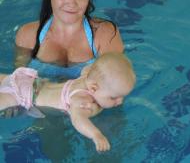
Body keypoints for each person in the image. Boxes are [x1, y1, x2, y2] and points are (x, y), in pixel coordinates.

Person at [0, 53, 136, 152]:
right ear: (93, 88)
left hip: (31, 81)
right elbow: (78, 120)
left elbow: (92, 67)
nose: (120, 102)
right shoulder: (83, 101)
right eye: (114, 98)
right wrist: (96, 135)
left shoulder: (88, 75)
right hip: (22, 96)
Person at [15, 0, 124, 80]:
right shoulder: (28, 35)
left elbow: (115, 91)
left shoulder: (105, 35)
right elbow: (18, 85)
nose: (72, 4)